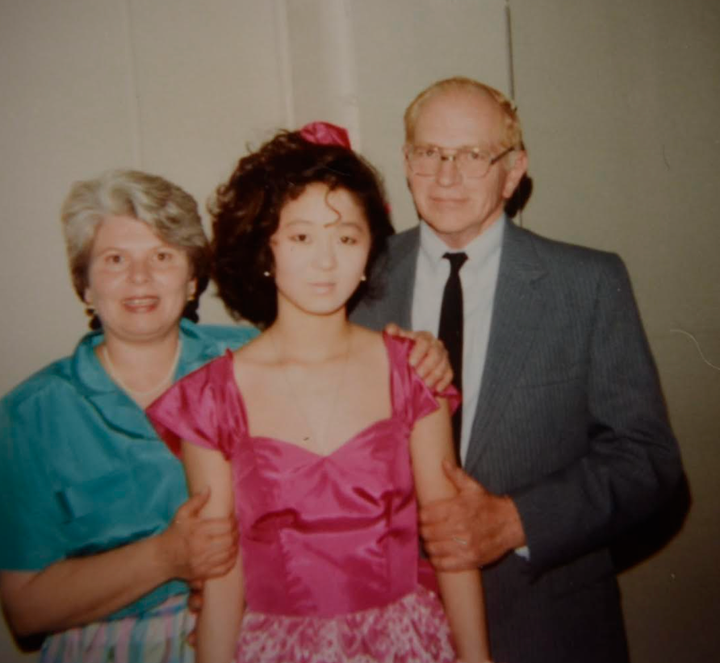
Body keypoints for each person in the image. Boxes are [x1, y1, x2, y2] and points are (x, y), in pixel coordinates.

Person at [0, 165, 449, 663]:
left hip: (253, 634)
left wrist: (420, 350)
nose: (140, 277)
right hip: (104, 643)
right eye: (114, 259)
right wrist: (167, 557)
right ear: (83, 284)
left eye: (163, 256)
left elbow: (344, 347)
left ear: (193, 279)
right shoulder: (29, 416)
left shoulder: (246, 363)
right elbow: (25, 611)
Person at [351, 77, 683, 663]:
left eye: (474, 155)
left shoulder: (587, 285)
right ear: (406, 162)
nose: (446, 176)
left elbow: (647, 462)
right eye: (430, 153)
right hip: (383, 627)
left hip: (545, 626)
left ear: (513, 170)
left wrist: (512, 522)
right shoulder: (356, 282)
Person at [147, 128, 491, 663]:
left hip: (407, 643)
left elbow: (453, 544)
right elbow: (221, 576)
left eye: (346, 238)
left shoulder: (413, 372)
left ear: (369, 248)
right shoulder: (212, 397)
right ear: (266, 247)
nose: (327, 262)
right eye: (302, 237)